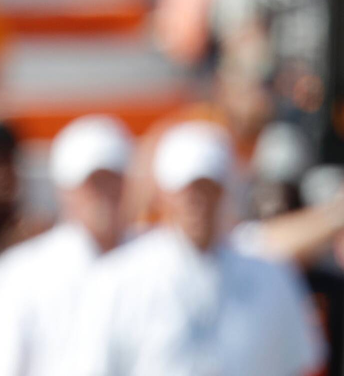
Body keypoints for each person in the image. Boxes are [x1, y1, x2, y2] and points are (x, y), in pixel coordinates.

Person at [69, 121, 325, 376]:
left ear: (224, 191)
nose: (197, 202)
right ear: (164, 194)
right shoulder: (118, 280)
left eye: (207, 188)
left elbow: (295, 364)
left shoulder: (270, 272)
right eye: (186, 190)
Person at [0, 115, 132, 376]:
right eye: (90, 182)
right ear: (64, 189)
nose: (103, 193)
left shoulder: (157, 264)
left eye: (112, 179)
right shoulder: (18, 273)